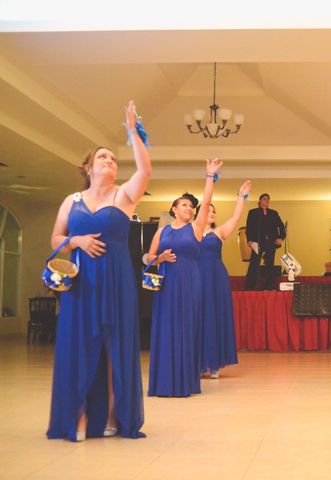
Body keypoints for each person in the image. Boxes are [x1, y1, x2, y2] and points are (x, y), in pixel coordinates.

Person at [47, 101, 150, 442]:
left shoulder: (124, 196)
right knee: (79, 347)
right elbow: (56, 238)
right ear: (89, 167)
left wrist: (133, 131)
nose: (109, 161)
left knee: (113, 349)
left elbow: (145, 171)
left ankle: (111, 416)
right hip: (82, 284)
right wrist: (75, 241)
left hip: (116, 280)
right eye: (102, 157)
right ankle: (77, 417)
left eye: (113, 159)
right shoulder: (71, 200)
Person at [147, 159, 221, 397]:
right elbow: (147, 256)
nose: (189, 208)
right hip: (167, 282)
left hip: (190, 281)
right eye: (184, 205)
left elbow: (207, 201)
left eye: (191, 206)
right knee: (167, 329)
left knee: (187, 328)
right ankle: (165, 381)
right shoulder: (162, 231)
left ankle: (186, 381)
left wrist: (209, 177)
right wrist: (160, 259)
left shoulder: (196, 228)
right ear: (174, 210)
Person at [197, 180, 252, 379]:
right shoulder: (191, 232)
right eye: (207, 209)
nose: (211, 212)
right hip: (196, 278)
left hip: (216, 278)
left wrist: (241, 197)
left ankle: (214, 364)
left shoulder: (218, 232)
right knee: (198, 318)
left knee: (214, 316)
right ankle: (198, 362)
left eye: (214, 211)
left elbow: (236, 219)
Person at [244, 193, 286, 290]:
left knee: (270, 264)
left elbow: (281, 226)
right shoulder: (253, 212)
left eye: (268, 199)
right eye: (264, 199)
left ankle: (268, 286)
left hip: (271, 241)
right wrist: (249, 240)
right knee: (254, 263)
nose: (267, 201)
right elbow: (249, 227)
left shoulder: (274, 213)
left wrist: (281, 237)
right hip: (257, 241)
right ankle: (250, 286)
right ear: (259, 201)